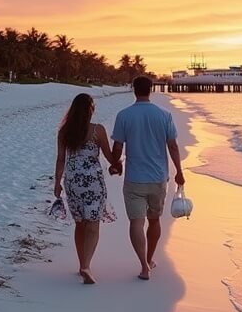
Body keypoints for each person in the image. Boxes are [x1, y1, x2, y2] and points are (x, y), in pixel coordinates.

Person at [111, 75, 185, 280]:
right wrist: (179, 171)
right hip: (158, 178)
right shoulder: (164, 115)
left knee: (136, 222)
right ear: (151, 89)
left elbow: (117, 147)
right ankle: (149, 258)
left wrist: (114, 163)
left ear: (134, 89)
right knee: (154, 220)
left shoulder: (124, 115)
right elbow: (172, 145)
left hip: (134, 178)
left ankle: (144, 265)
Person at [54, 93, 120, 284]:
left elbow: (60, 159)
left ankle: (82, 264)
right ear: (90, 109)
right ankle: (86, 266)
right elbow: (110, 158)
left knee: (80, 223)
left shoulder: (64, 131)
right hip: (92, 182)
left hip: (72, 181)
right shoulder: (97, 130)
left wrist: (57, 183)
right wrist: (118, 154)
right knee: (93, 224)